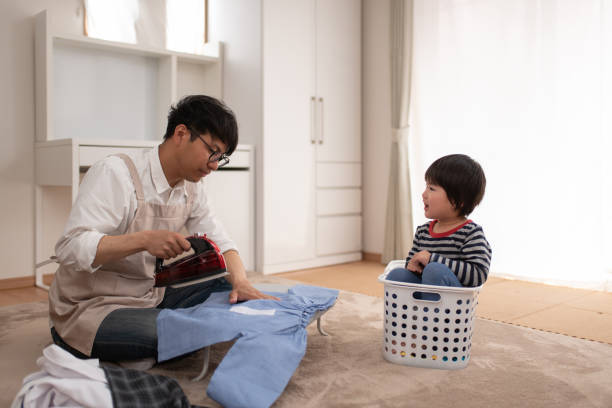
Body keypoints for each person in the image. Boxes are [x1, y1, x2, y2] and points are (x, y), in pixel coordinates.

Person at [48, 95, 277, 363]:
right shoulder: (116, 173)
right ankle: (93, 342)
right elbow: (70, 247)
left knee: (226, 289)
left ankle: (158, 339)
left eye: (221, 157)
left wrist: (241, 282)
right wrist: (143, 240)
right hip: (91, 306)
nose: (215, 165)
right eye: (212, 151)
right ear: (181, 133)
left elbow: (222, 242)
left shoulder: (193, 187)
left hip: (148, 294)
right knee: (184, 330)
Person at [387, 154, 492, 288]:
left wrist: (432, 260)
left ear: (457, 201)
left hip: (451, 303)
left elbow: (478, 275)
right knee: (397, 275)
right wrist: (411, 264)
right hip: (421, 295)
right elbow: (412, 263)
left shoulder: (471, 233)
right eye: (426, 187)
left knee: (434, 270)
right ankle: (406, 309)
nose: (424, 194)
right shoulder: (423, 231)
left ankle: (430, 308)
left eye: (431, 188)